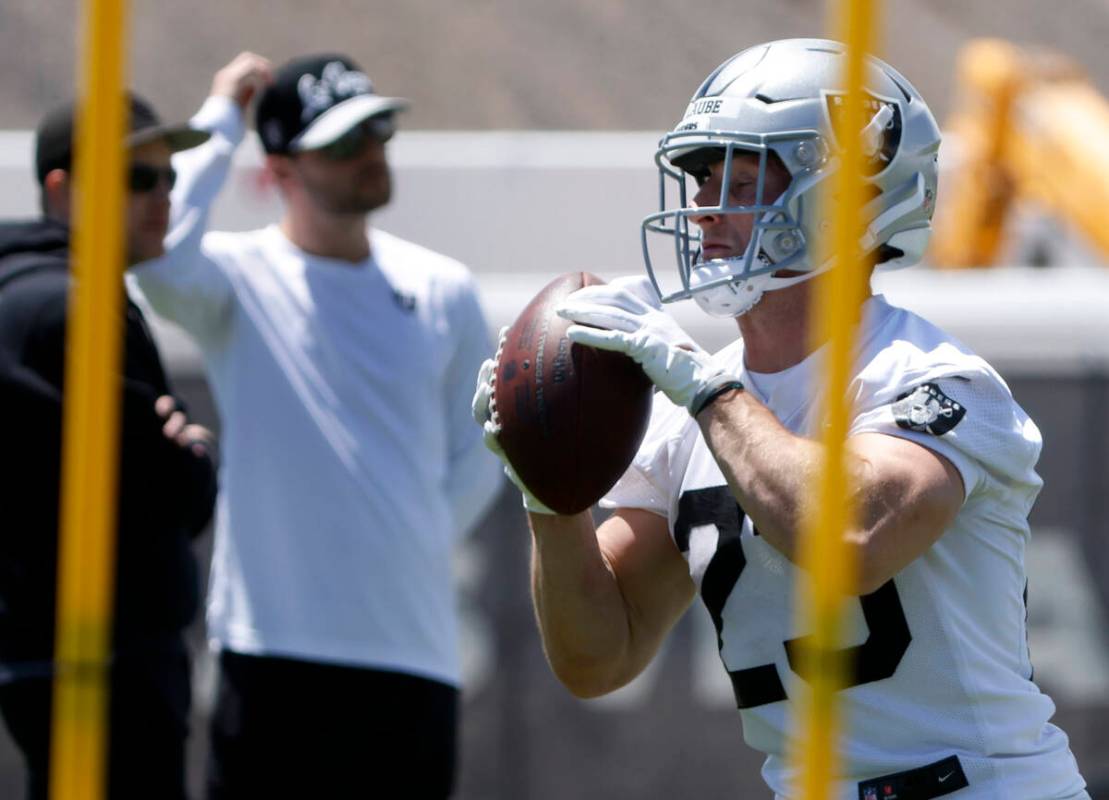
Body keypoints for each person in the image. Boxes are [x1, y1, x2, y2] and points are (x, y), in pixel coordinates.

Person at [474, 38, 1089, 799]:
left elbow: (849, 539)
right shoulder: (690, 416)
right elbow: (598, 658)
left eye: (741, 178)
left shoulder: (935, 379)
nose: (704, 208)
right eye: (702, 180)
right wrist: (547, 492)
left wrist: (708, 394)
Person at [129, 53, 502, 798]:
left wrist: (413, 535)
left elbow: (481, 448)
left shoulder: (441, 288)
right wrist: (220, 122)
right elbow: (157, 259)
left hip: (413, 656)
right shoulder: (236, 278)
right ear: (281, 168)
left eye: (376, 130)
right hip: (271, 656)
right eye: (340, 142)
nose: (370, 153)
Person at [0, 53, 267, 798]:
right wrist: (192, 456)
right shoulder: (68, 306)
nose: (161, 198)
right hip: (102, 668)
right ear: (62, 188)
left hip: (59, 659)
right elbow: (165, 491)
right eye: (135, 179)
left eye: (168, 178)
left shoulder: (31, 296)